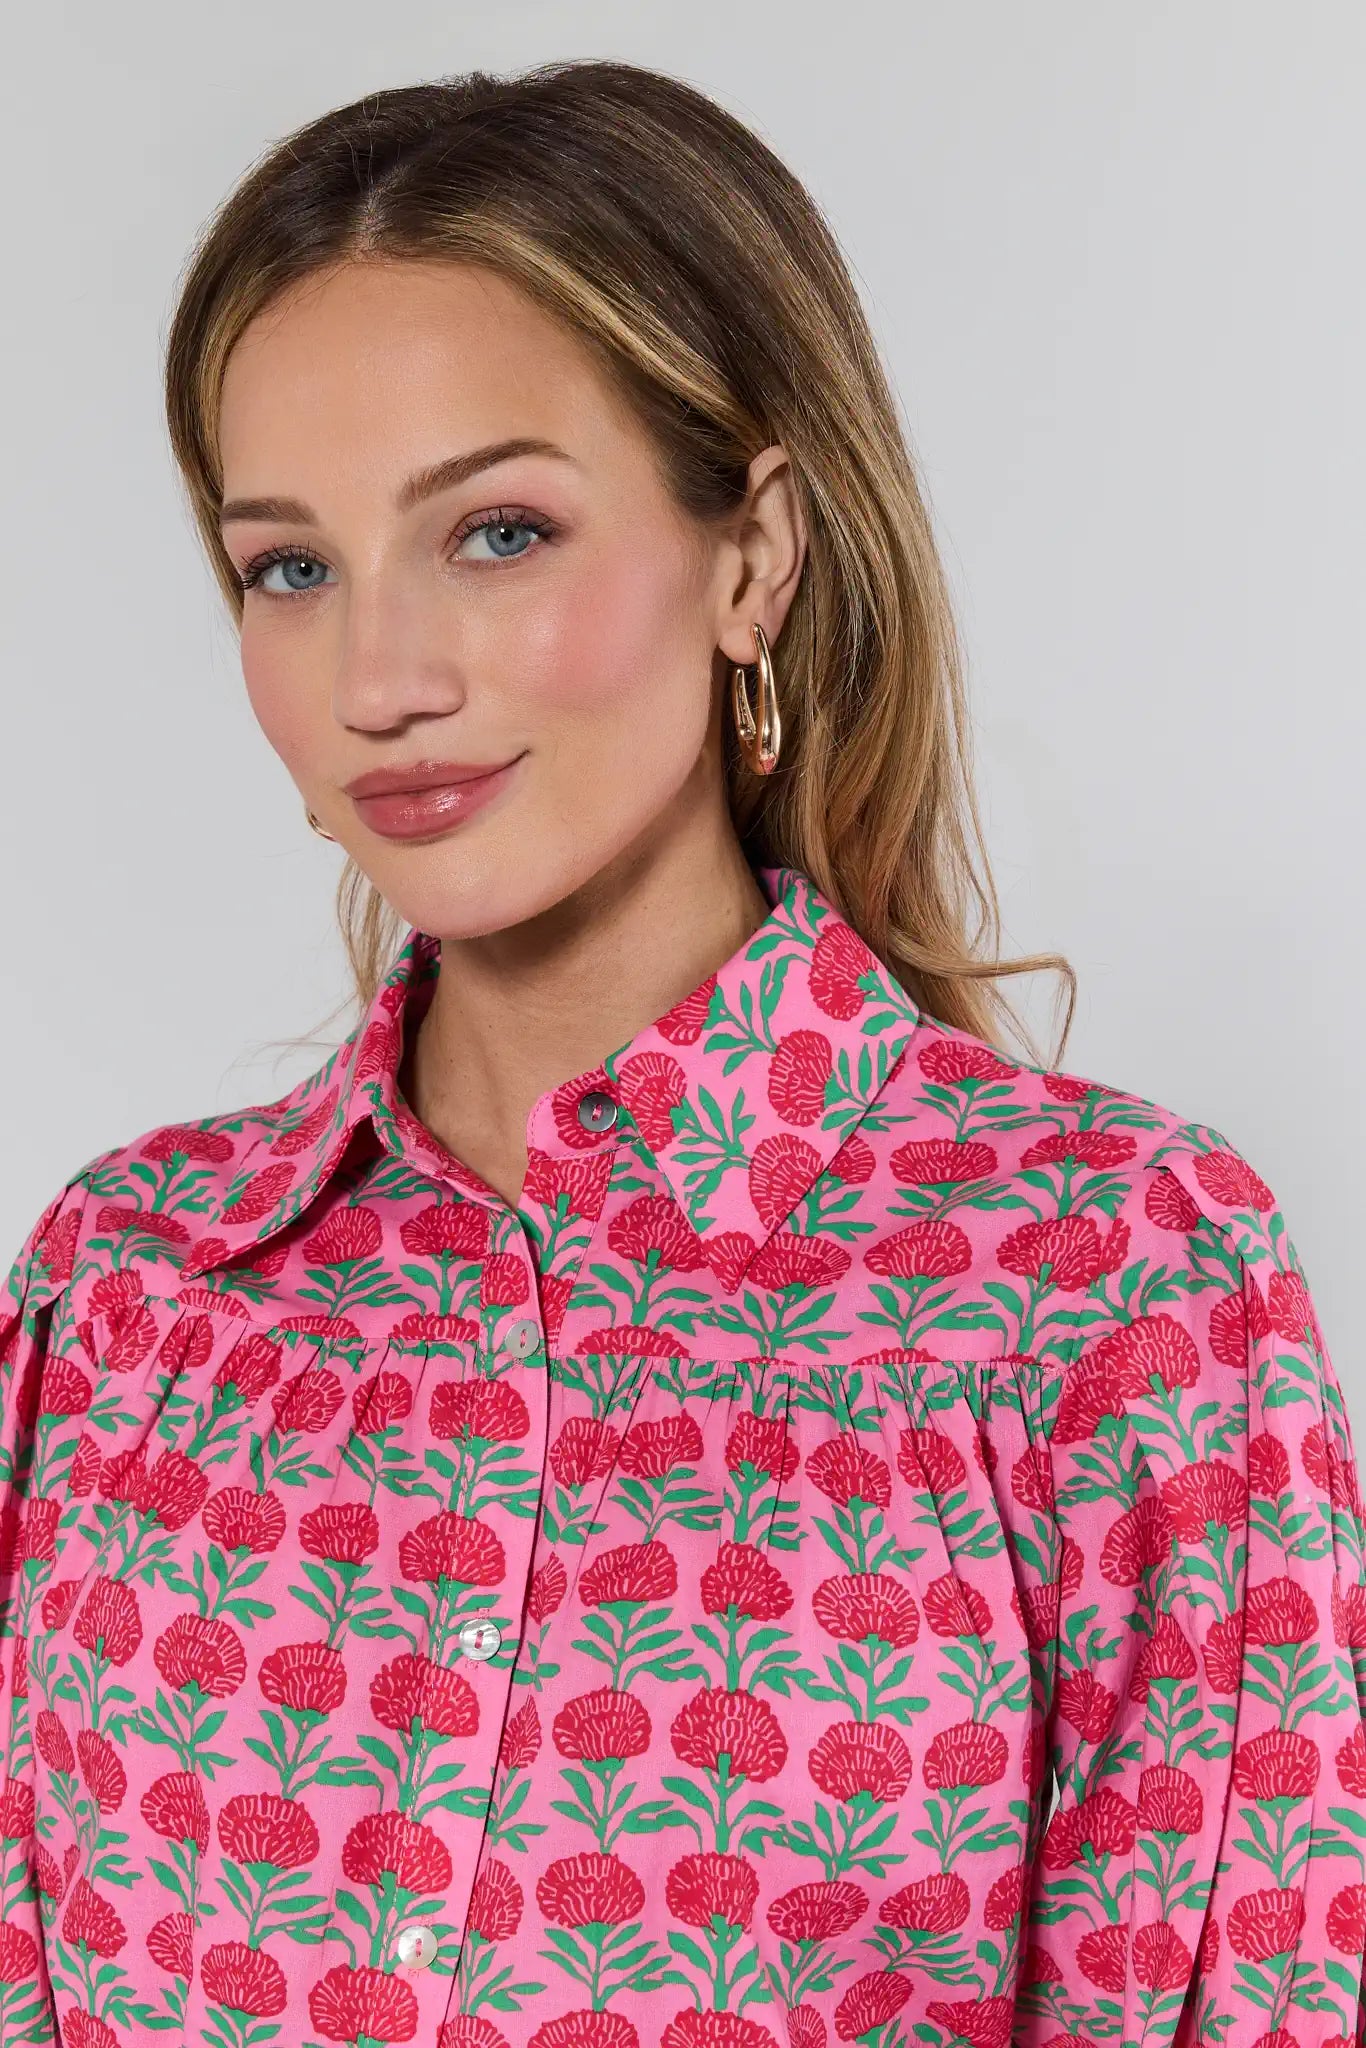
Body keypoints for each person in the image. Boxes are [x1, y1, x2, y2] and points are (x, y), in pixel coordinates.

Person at [2, 56, 1361, 2048]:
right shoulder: (125, 1298)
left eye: (496, 532)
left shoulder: (1109, 1284)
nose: (378, 679)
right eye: (288, 567)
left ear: (750, 555)